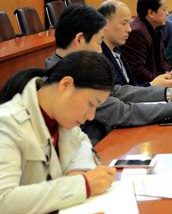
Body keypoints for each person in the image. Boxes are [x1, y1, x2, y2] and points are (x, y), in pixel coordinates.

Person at [45, 5, 172, 144]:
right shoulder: (65, 78)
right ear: (80, 39)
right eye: (99, 42)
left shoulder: (75, 69)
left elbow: (118, 92)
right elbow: (119, 112)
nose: (100, 51)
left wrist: (168, 93)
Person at [0, 51, 117, 213]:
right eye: (91, 104)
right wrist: (83, 184)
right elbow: (4, 200)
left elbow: (83, 141)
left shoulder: (60, 118)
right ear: (66, 85)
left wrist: (77, 171)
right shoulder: (6, 123)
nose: (91, 116)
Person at [98, 0, 172, 88]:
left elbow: (131, 87)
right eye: (124, 23)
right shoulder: (100, 58)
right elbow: (119, 93)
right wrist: (153, 85)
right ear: (104, 24)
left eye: (129, 23)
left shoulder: (117, 49)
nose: (129, 29)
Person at [121, 0, 172, 84]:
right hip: (144, 86)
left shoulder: (157, 27)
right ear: (151, 13)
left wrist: (166, 72)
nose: (167, 13)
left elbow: (162, 57)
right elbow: (137, 70)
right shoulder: (137, 32)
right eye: (164, 10)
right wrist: (159, 80)